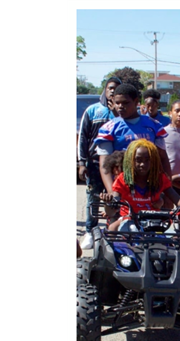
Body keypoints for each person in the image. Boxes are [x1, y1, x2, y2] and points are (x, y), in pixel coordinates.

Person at [94, 83, 172, 196]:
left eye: (125, 103)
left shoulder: (154, 125)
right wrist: (112, 192)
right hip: (122, 187)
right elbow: (104, 164)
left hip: (149, 188)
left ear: (136, 102)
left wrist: (167, 190)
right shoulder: (108, 129)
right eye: (117, 103)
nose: (120, 106)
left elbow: (163, 158)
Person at [98, 139, 180, 232]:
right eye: (138, 160)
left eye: (147, 160)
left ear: (154, 161)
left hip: (155, 221)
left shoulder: (160, 178)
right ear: (130, 160)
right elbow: (112, 211)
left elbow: (178, 200)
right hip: (129, 219)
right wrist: (108, 203)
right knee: (115, 230)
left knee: (173, 236)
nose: (142, 164)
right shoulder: (123, 179)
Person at [78, 76, 121, 249]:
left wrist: (117, 114)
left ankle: (112, 230)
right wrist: (81, 163)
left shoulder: (124, 111)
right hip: (95, 164)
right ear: (105, 89)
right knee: (93, 197)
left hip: (117, 166)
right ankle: (91, 230)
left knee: (116, 197)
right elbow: (83, 137)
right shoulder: (92, 110)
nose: (112, 91)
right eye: (110, 88)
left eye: (116, 88)